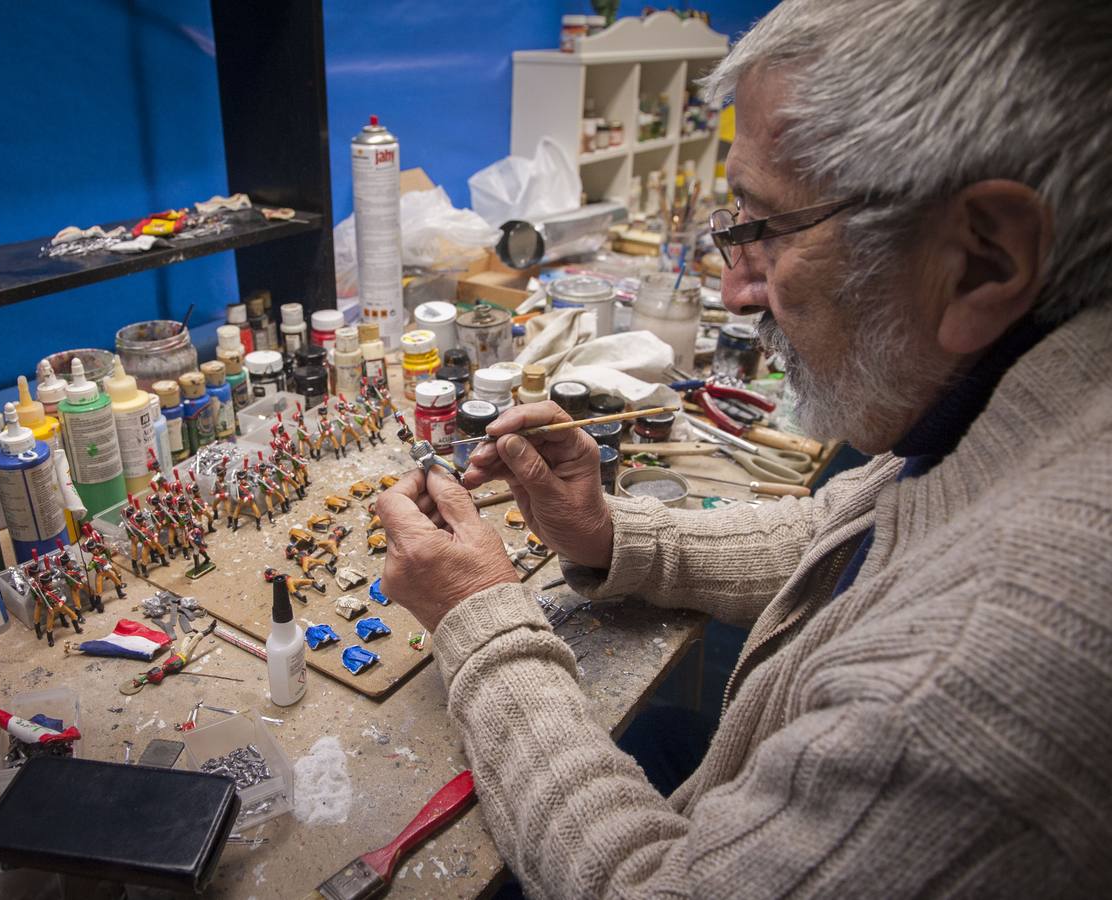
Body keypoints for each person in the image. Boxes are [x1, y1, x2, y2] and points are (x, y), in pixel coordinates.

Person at [376, 0, 1112, 895]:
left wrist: (479, 615)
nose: (732, 291)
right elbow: (859, 530)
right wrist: (611, 536)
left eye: (765, 229)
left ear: (985, 259)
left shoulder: (960, 686)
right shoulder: (1014, 393)